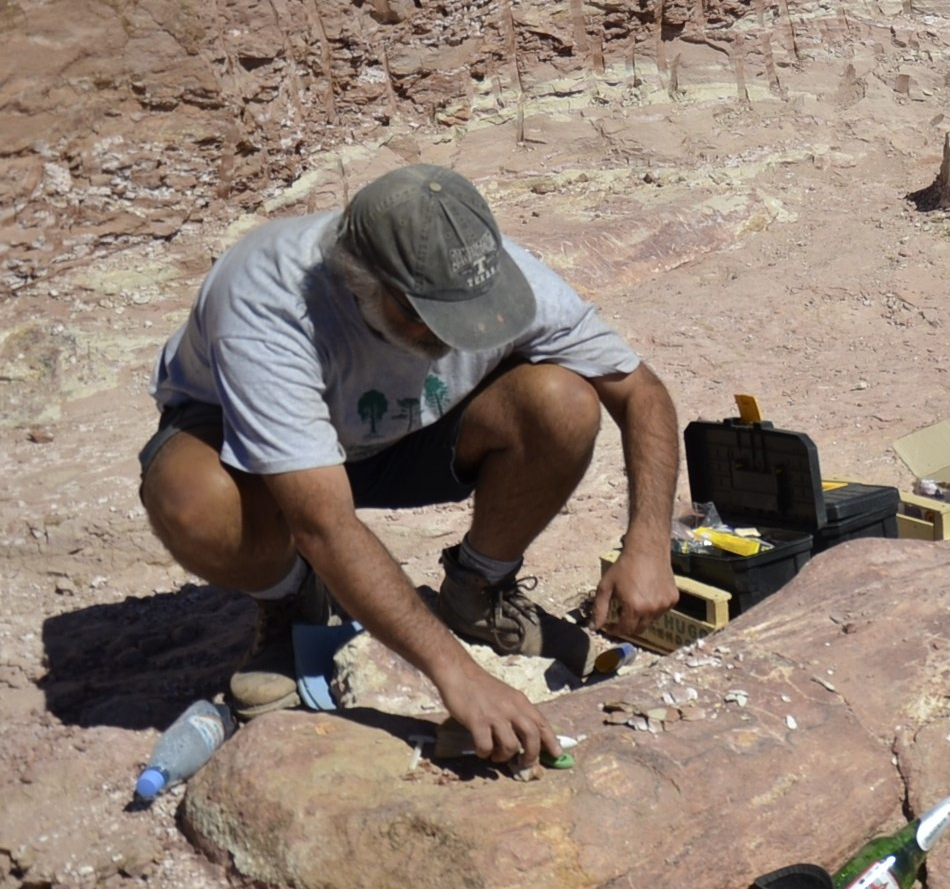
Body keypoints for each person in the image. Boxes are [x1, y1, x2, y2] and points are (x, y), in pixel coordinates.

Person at [140, 164, 680, 768]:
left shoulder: (485, 268)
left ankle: (479, 592)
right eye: (429, 316)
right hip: (263, 463)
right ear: (360, 277)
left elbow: (640, 391)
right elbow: (324, 523)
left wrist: (649, 541)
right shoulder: (267, 300)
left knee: (564, 403)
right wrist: (458, 675)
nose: (460, 334)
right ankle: (292, 602)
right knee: (193, 498)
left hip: (407, 438)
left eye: (474, 311)